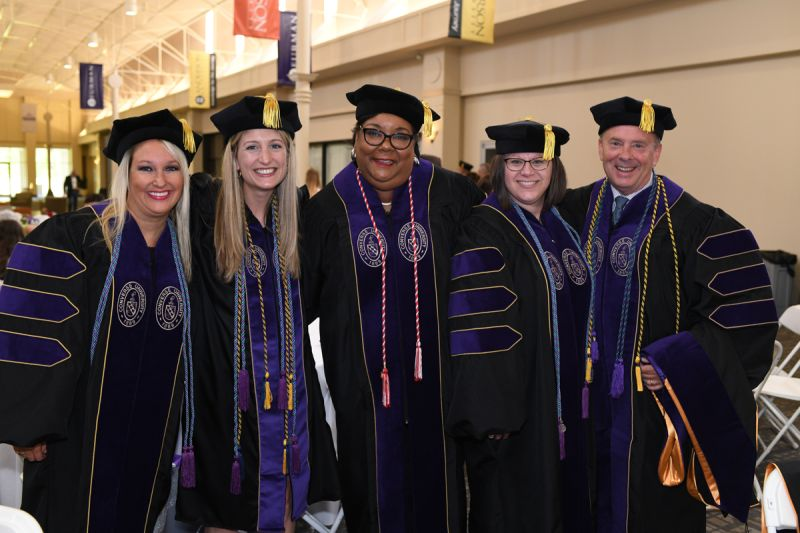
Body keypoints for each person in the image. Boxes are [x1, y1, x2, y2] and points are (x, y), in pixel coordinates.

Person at [558, 96, 778, 532]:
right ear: (599, 147)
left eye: (639, 146)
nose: (626, 156)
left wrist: (675, 361)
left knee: (653, 509)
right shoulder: (571, 210)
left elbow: (743, 317)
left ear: (657, 152)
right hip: (582, 396)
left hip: (654, 406)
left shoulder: (697, 223)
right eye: (615, 143)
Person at [0, 108, 201, 532]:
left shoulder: (185, 251)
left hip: (151, 435)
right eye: (146, 168)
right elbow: (33, 333)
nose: (160, 181)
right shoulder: (76, 236)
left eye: (171, 169)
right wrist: (30, 427)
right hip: (76, 437)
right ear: (126, 173)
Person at [301, 84, 484, 533]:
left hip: (439, 389)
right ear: (355, 138)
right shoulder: (326, 210)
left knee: (441, 497)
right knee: (371, 498)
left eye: (400, 136)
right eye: (374, 133)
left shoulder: (452, 197)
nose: (386, 147)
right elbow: (298, 306)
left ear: (415, 144)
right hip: (361, 396)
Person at [176, 94, 336, 533]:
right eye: (252, 147)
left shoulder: (301, 222)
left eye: (276, 146)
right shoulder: (203, 213)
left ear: (289, 153)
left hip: (289, 404)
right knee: (226, 514)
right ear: (235, 157)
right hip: (225, 403)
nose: (265, 158)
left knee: (285, 509)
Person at [446, 119, 591, 532]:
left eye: (538, 161)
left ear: (554, 168)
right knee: (512, 512)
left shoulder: (561, 227)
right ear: (499, 167)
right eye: (515, 162)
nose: (527, 172)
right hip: (515, 414)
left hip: (563, 403)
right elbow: (479, 329)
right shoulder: (484, 228)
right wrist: (491, 417)